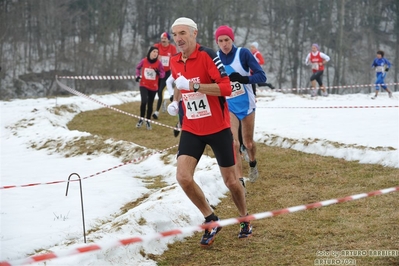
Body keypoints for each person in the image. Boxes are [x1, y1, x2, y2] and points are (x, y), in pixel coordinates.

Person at [167, 17, 252, 247]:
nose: (178, 38)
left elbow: (226, 88)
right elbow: (179, 83)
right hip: (192, 128)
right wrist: (176, 101)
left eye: (183, 33)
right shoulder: (174, 60)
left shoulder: (208, 56)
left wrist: (195, 87)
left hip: (218, 128)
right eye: (175, 34)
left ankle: (245, 218)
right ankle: (211, 218)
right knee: (183, 177)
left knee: (231, 181)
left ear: (194, 33)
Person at [215, 25, 266, 188]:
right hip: (229, 106)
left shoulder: (243, 53)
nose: (224, 44)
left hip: (247, 105)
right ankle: (240, 181)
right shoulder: (215, 58)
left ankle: (252, 162)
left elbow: (261, 75)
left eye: (227, 40)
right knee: (234, 144)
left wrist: (244, 79)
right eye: (220, 41)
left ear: (232, 39)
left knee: (248, 143)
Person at [135, 46, 165, 130]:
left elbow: (163, 74)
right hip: (143, 85)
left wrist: (158, 73)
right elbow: (138, 67)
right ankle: (141, 119)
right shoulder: (144, 60)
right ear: (150, 52)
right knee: (144, 101)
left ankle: (148, 121)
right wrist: (137, 76)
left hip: (153, 87)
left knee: (150, 104)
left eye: (157, 52)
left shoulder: (159, 63)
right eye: (154, 52)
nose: (155, 54)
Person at [152, 32, 177, 119]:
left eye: (165, 38)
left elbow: (175, 60)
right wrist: (156, 58)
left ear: (168, 40)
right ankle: (162, 102)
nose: (163, 40)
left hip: (166, 73)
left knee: (160, 91)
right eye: (162, 38)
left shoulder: (172, 48)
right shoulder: (157, 46)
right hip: (156, 72)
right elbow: (150, 56)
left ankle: (156, 112)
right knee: (156, 91)